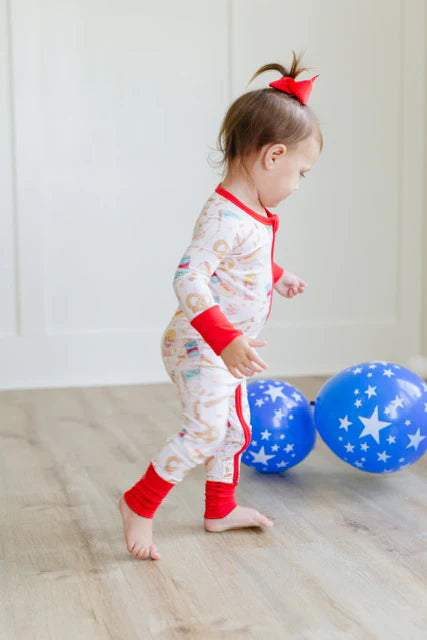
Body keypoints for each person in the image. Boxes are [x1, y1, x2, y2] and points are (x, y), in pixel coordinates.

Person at [119, 51, 323, 560]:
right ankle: (138, 504)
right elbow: (189, 276)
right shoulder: (224, 217)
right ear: (273, 157)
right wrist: (225, 338)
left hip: (226, 348)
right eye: (302, 173)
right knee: (207, 428)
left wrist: (278, 276)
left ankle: (220, 509)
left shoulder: (250, 214)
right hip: (200, 344)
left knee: (236, 430)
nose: (297, 185)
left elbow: (244, 263)